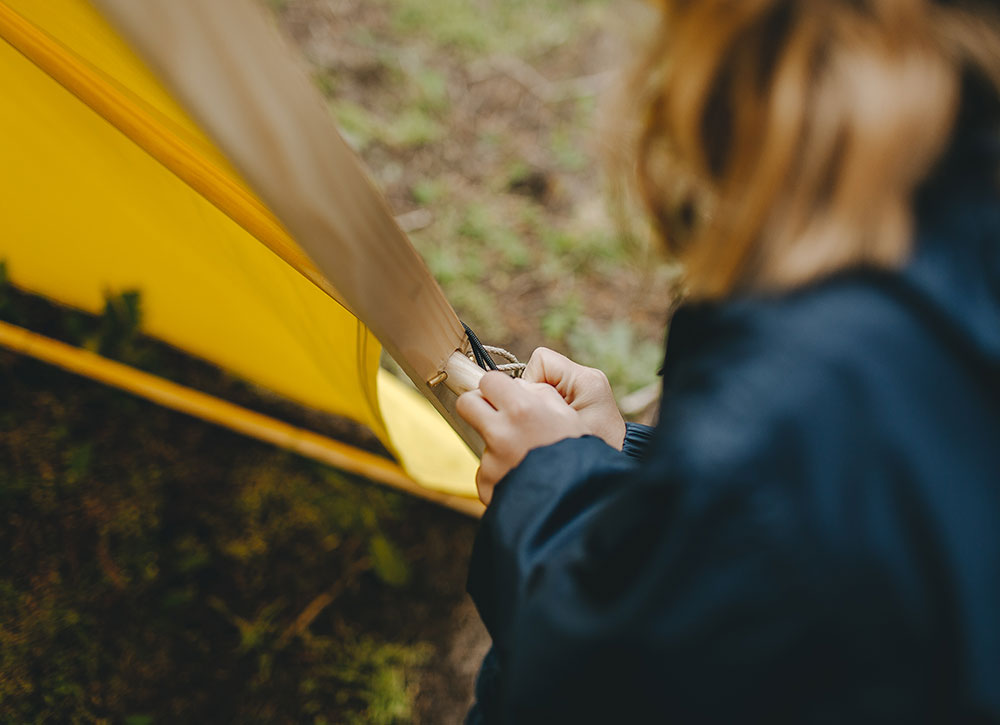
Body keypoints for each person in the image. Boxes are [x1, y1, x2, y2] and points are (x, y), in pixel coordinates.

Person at [455, 1, 1000, 722]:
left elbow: (598, 677)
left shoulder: (807, 377)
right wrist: (623, 458)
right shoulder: (957, 257)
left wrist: (550, 486)